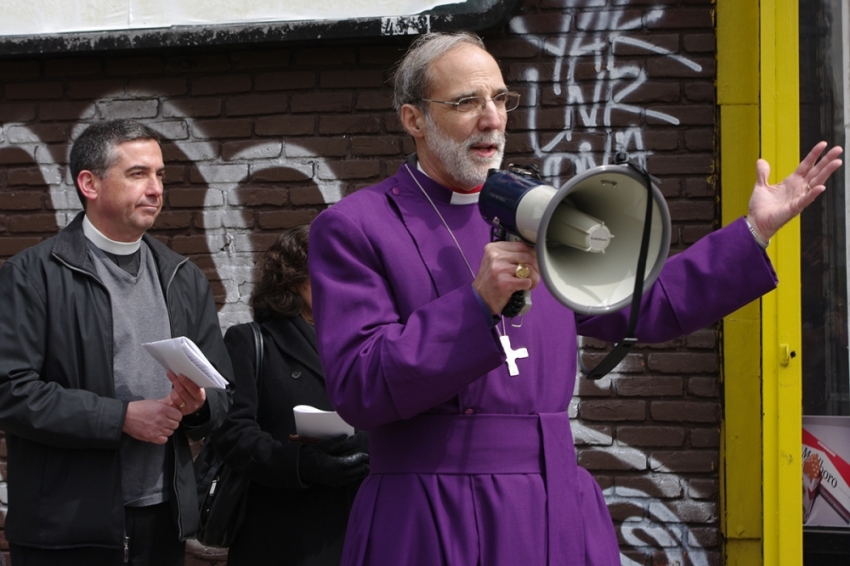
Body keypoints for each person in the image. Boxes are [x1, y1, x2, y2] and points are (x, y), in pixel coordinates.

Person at [307, 31, 844, 566]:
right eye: (467, 102)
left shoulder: (536, 212)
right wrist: (476, 305)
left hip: (552, 504)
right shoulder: (357, 227)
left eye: (500, 98)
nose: (492, 118)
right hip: (430, 509)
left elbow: (648, 302)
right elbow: (360, 387)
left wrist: (752, 232)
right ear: (414, 119)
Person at [0, 119, 234, 566]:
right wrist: (121, 417)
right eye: (138, 174)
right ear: (89, 183)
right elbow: (10, 391)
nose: (156, 189)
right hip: (66, 528)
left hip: (163, 521)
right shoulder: (32, 276)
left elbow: (225, 395)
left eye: (160, 175)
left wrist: (198, 406)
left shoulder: (182, 278)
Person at [213, 225, 369, 565]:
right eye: (324, 268)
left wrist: (366, 445)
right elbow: (232, 433)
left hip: (359, 520)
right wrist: (301, 464)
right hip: (281, 531)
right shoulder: (251, 342)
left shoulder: (365, 340)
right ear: (292, 279)